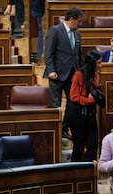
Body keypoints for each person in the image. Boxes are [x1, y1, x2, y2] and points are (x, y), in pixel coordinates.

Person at [43, 7, 85, 139]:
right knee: (56, 104)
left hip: (73, 75)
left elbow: (78, 56)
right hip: (57, 74)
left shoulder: (77, 34)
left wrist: (81, 72)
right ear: (71, 20)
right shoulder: (55, 31)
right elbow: (48, 53)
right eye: (79, 21)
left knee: (72, 104)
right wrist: (51, 70)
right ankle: (54, 131)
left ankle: (64, 129)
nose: (80, 24)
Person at [68, 50, 102, 161]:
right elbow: (74, 96)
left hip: (90, 114)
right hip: (78, 114)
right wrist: (90, 101)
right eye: (99, 63)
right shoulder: (79, 74)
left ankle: (90, 173)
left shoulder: (95, 76)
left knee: (93, 144)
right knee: (79, 145)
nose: (101, 65)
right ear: (92, 63)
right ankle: (75, 172)